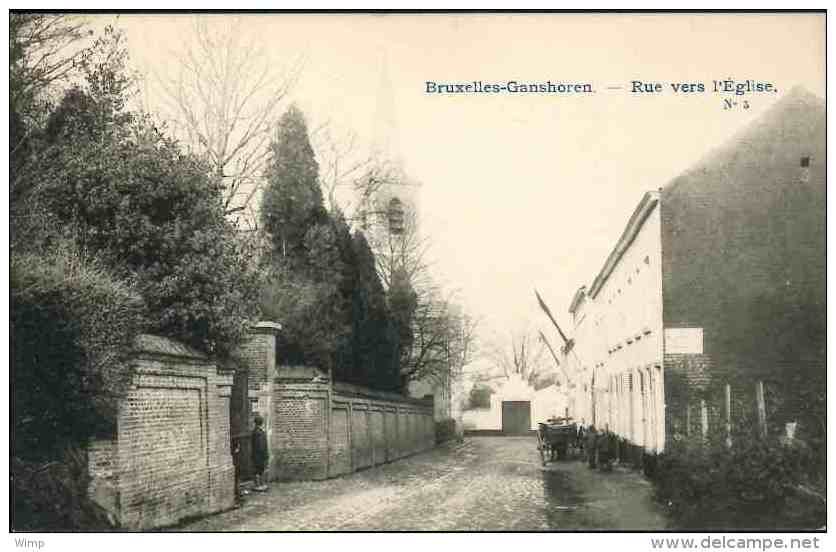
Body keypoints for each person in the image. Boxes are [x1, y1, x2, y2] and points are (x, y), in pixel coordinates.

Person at [251, 414, 269, 492]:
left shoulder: (256, 432)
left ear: (255, 423)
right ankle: (259, 485)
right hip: (259, 455)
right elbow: (261, 445)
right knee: (258, 470)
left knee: (258, 470)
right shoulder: (259, 432)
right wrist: (265, 455)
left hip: (258, 455)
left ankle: (259, 485)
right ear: (261, 423)